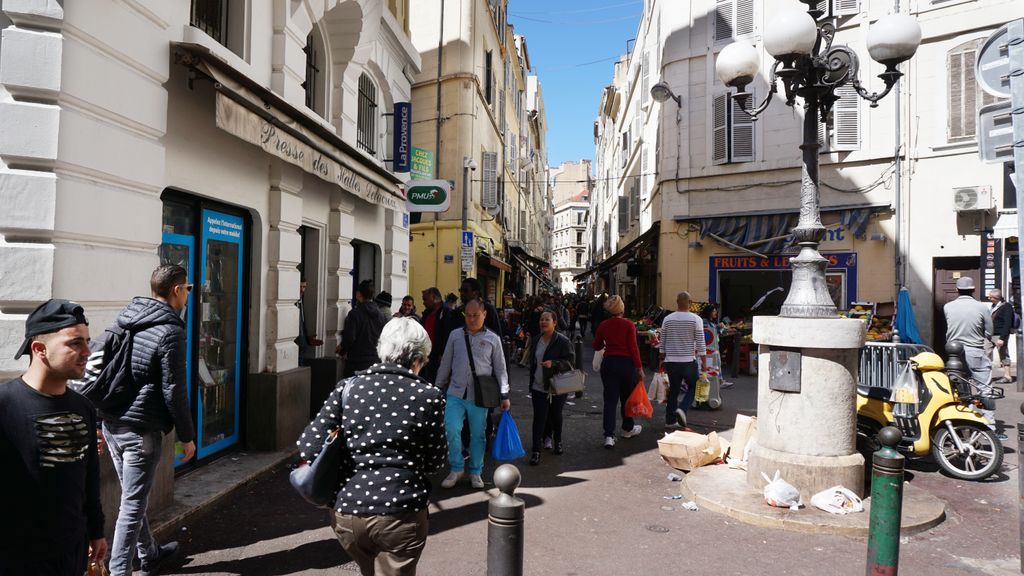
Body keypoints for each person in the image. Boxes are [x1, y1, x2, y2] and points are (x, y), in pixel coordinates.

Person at [299, 318, 447, 576]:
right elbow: (435, 461)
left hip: (348, 513)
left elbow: (309, 446)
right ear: (416, 359)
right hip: (401, 513)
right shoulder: (428, 396)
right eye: (424, 360)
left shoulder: (348, 388)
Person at [1, 299, 108, 575]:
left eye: (87, 341)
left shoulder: (83, 406)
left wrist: (96, 530)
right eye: (75, 343)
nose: (88, 351)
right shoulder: (5, 405)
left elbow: (89, 476)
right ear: (40, 349)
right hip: (18, 558)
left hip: (71, 551)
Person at [103, 265, 196, 576]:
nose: (188, 294)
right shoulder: (171, 330)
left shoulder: (128, 317)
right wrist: (187, 434)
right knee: (132, 505)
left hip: (113, 422)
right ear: (176, 290)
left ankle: (150, 553)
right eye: (189, 288)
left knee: (134, 496)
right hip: (141, 429)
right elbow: (174, 389)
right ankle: (119, 572)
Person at [435, 299, 510, 489]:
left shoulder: (493, 339)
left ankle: (476, 471)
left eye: (475, 315)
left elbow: (501, 368)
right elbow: (446, 363)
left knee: (478, 435)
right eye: (468, 315)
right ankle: (457, 467)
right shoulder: (455, 335)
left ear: (484, 314)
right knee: (451, 428)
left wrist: (504, 394)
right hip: (455, 391)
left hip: (480, 395)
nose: (471, 319)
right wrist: (438, 387)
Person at [945, 277, 1000, 436]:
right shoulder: (982, 307)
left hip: (954, 355)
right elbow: (989, 331)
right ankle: (990, 430)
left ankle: (962, 428)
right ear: (974, 289)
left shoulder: (948, 306)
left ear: (957, 290)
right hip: (975, 352)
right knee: (985, 390)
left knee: (960, 392)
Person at [592, 295, 643, 448]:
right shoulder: (629, 325)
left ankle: (608, 436)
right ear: (622, 308)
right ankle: (627, 428)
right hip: (627, 365)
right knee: (627, 398)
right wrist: (639, 367)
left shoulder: (603, 325)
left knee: (610, 400)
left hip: (609, 364)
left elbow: (596, 345)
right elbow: (634, 348)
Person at [527, 309, 575, 465]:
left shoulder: (562, 341)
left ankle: (558, 441)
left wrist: (553, 363)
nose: (543, 322)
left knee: (556, 415)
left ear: (555, 322)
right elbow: (533, 363)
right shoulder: (536, 340)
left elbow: (570, 363)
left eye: (547, 319)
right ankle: (536, 451)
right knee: (539, 418)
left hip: (556, 386)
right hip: (538, 385)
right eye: (541, 319)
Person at [659, 292, 707, 429]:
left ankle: (670, 420)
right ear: (690, 303)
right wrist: (703, 362)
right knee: (694, 386)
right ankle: (682, 408)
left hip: (671, 362)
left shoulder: (667, 319)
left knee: (673, 390)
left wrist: (661, 358)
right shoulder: (696, 319)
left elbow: (662, 341)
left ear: (677, 302)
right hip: (688, 362)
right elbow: (701, 343)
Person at [338, 280, 388, 378]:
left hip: (357, 363)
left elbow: (350, 338)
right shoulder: (381, 316)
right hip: (375, 361)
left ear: (358, 294)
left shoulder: (355, 314)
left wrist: (342, 349)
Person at [701, 303, 733, 391]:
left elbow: (715, 332)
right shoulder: (704, 321)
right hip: (709, 349)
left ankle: (720, 381)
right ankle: (718, 381)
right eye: (714, 311)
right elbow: (707, 332)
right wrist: (718, 326)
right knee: (713, 365)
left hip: (715, 347)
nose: (716, 312)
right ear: (709, 312)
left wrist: (720, 328)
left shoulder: (711, 321)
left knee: (717, 364)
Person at [296, 278, 323, 367]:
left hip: (302, 347)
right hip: (296, 347)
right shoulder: (292, 303)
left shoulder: (300, 302)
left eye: (304, 287)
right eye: (300, 286)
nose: (302, 290)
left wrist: (306, 339)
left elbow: (302, 325)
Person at [988, 289, 1014, 382]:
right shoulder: (994, 305)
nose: (988, 298)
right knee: (984, 353)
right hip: (990, 334)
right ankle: (984, 376)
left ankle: (1007, 376)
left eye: (990, 297)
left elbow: (1007, 323)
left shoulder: (1007, 307)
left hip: (1000, 335)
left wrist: (1002, 338)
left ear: (996, 297)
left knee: (1003, 355)